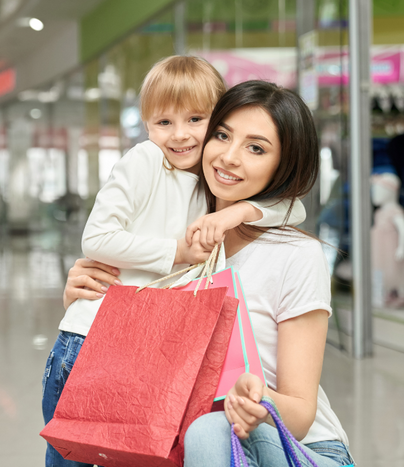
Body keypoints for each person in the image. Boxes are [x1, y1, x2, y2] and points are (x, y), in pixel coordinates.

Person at [65, 81, 355, 467]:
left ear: (283, 166)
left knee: (208, 427)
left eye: (256, 148)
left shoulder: (295, 255)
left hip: (299, 449)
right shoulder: (179, 241)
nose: (229, 157)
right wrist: (86, 302)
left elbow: (301, 416)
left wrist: (257, 398)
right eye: (222, 135)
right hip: (192, 445)